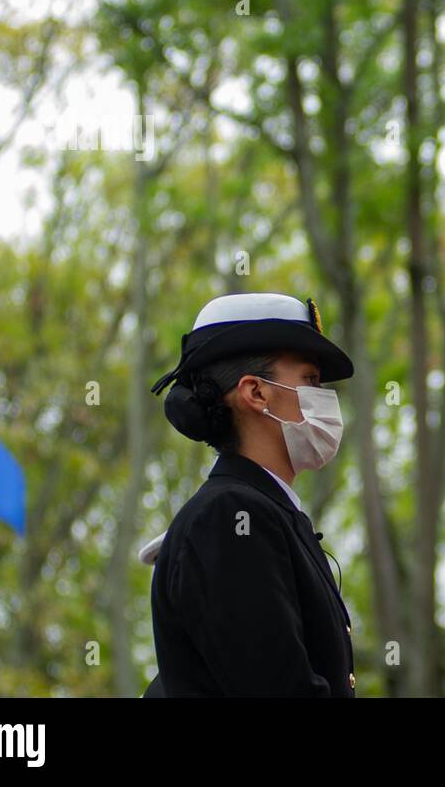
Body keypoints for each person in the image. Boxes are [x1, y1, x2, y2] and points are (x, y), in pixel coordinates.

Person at [143, 292, 357, 697]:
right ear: (256, 393)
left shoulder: (261, 510)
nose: (323, 397)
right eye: (309, 380)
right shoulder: (229, 516)